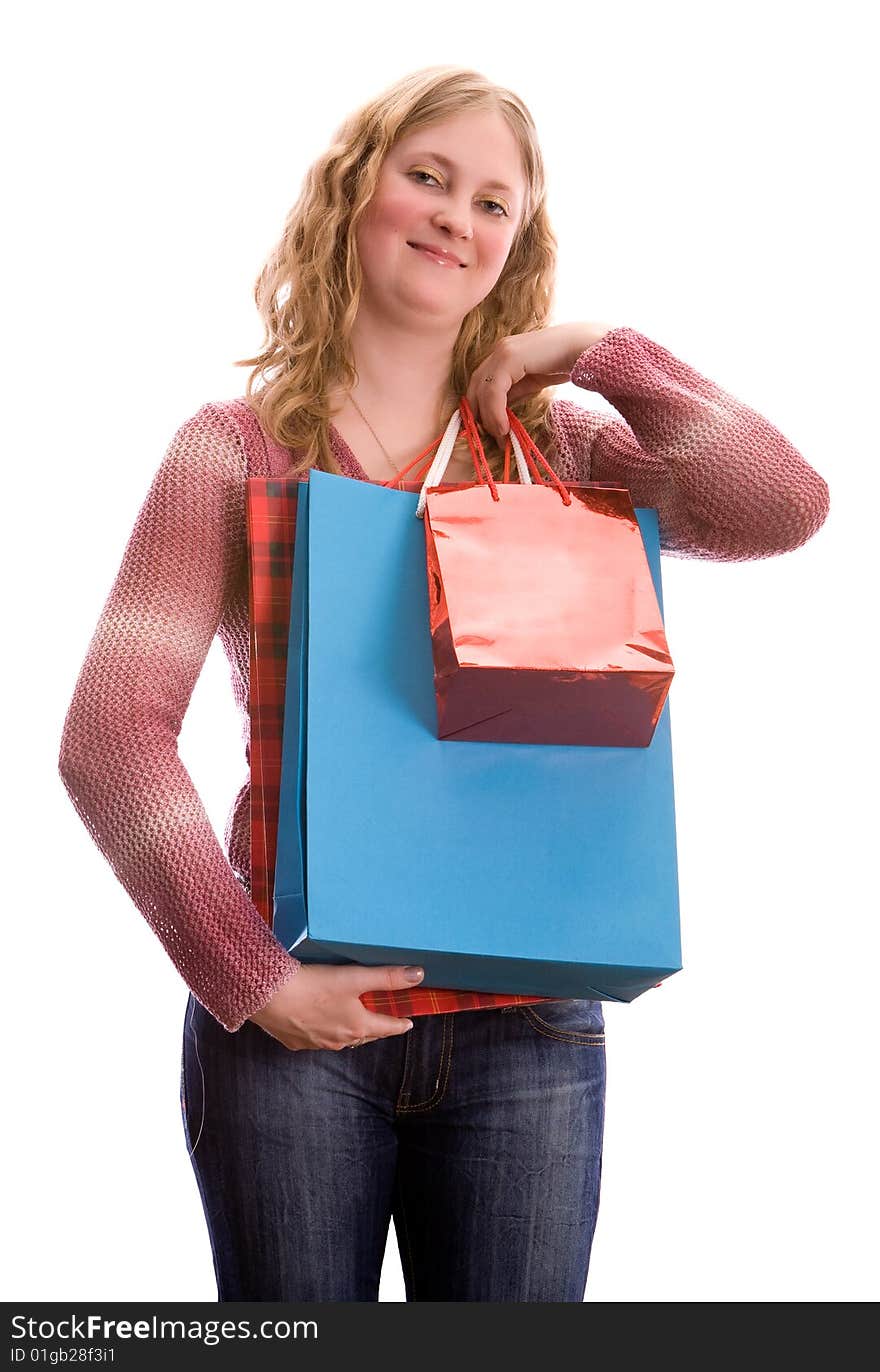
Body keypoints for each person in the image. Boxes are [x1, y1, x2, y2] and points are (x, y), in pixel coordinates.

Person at [57, 65, 831, 1302]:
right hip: (295, 1019)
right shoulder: (233, 451)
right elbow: (110, 735)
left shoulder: (556, 448)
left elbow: (781, 506)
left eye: (492, 204)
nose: (453, 218)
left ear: (515, 247)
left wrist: (603, 351)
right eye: (426, 176)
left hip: (532, 1020)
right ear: (355, 190)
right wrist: (249, 980)